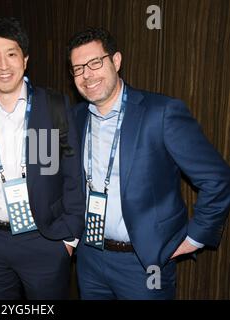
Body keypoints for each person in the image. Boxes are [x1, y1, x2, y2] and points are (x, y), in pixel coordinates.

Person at [67, 27, 230, 299]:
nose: (87, 74)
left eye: (95, 62)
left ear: (116, 61)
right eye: (78, 68)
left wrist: (196, 237)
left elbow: (217, 178)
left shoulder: (161, 113)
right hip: (89, 259)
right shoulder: (76, 117)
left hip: (143, 264)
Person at [0, 17, 85, 299]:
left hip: (45, 238)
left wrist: (69, 237)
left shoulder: (55, 106)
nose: (3, 65)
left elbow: (73, 174)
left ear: (25, 59)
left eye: (11, 55)